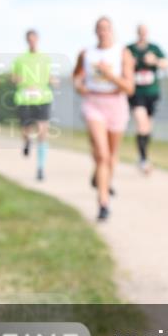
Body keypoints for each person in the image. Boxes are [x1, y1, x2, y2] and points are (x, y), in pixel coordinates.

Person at [73, 17, 135, 222]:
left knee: (111, 155)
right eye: (99, 29)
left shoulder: (122, 53)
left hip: (116, 103)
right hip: (94, 104)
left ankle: (102, 180)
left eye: (106, 29)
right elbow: (76, 77)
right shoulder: (86, 54)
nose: (103, 32)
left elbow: (129, 87)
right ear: (95, 31)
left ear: (112, 31)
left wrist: (109, 75)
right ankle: (103, 203)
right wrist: (79, 85)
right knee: (102, 154)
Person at [12, 29, 56, 181]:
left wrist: (53, 81)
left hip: (42, 98)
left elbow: (49, 76)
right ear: (26, 40)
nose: (32, 42)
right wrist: (23, 82)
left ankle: (40, 167)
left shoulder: (45, 58)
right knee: (26, 130)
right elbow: (14, 77)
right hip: (24, 98)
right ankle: (27, 141)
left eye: (34, 39)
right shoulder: (20, 59)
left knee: (43, 131)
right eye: (29, 39)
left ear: (37, 39)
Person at [127, 24, 168, 174]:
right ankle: (143, 159)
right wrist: (129, 63)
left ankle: (143, 155)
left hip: (151, 92)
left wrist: (155, 61)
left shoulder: (154, 48)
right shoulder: (129, 49)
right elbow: (120, 65)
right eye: (141, 32)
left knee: (147, 127)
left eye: (145, 32)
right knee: (141, 123)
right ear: (137, 33)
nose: (143, 34)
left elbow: (166, 64)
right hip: (136, 92)